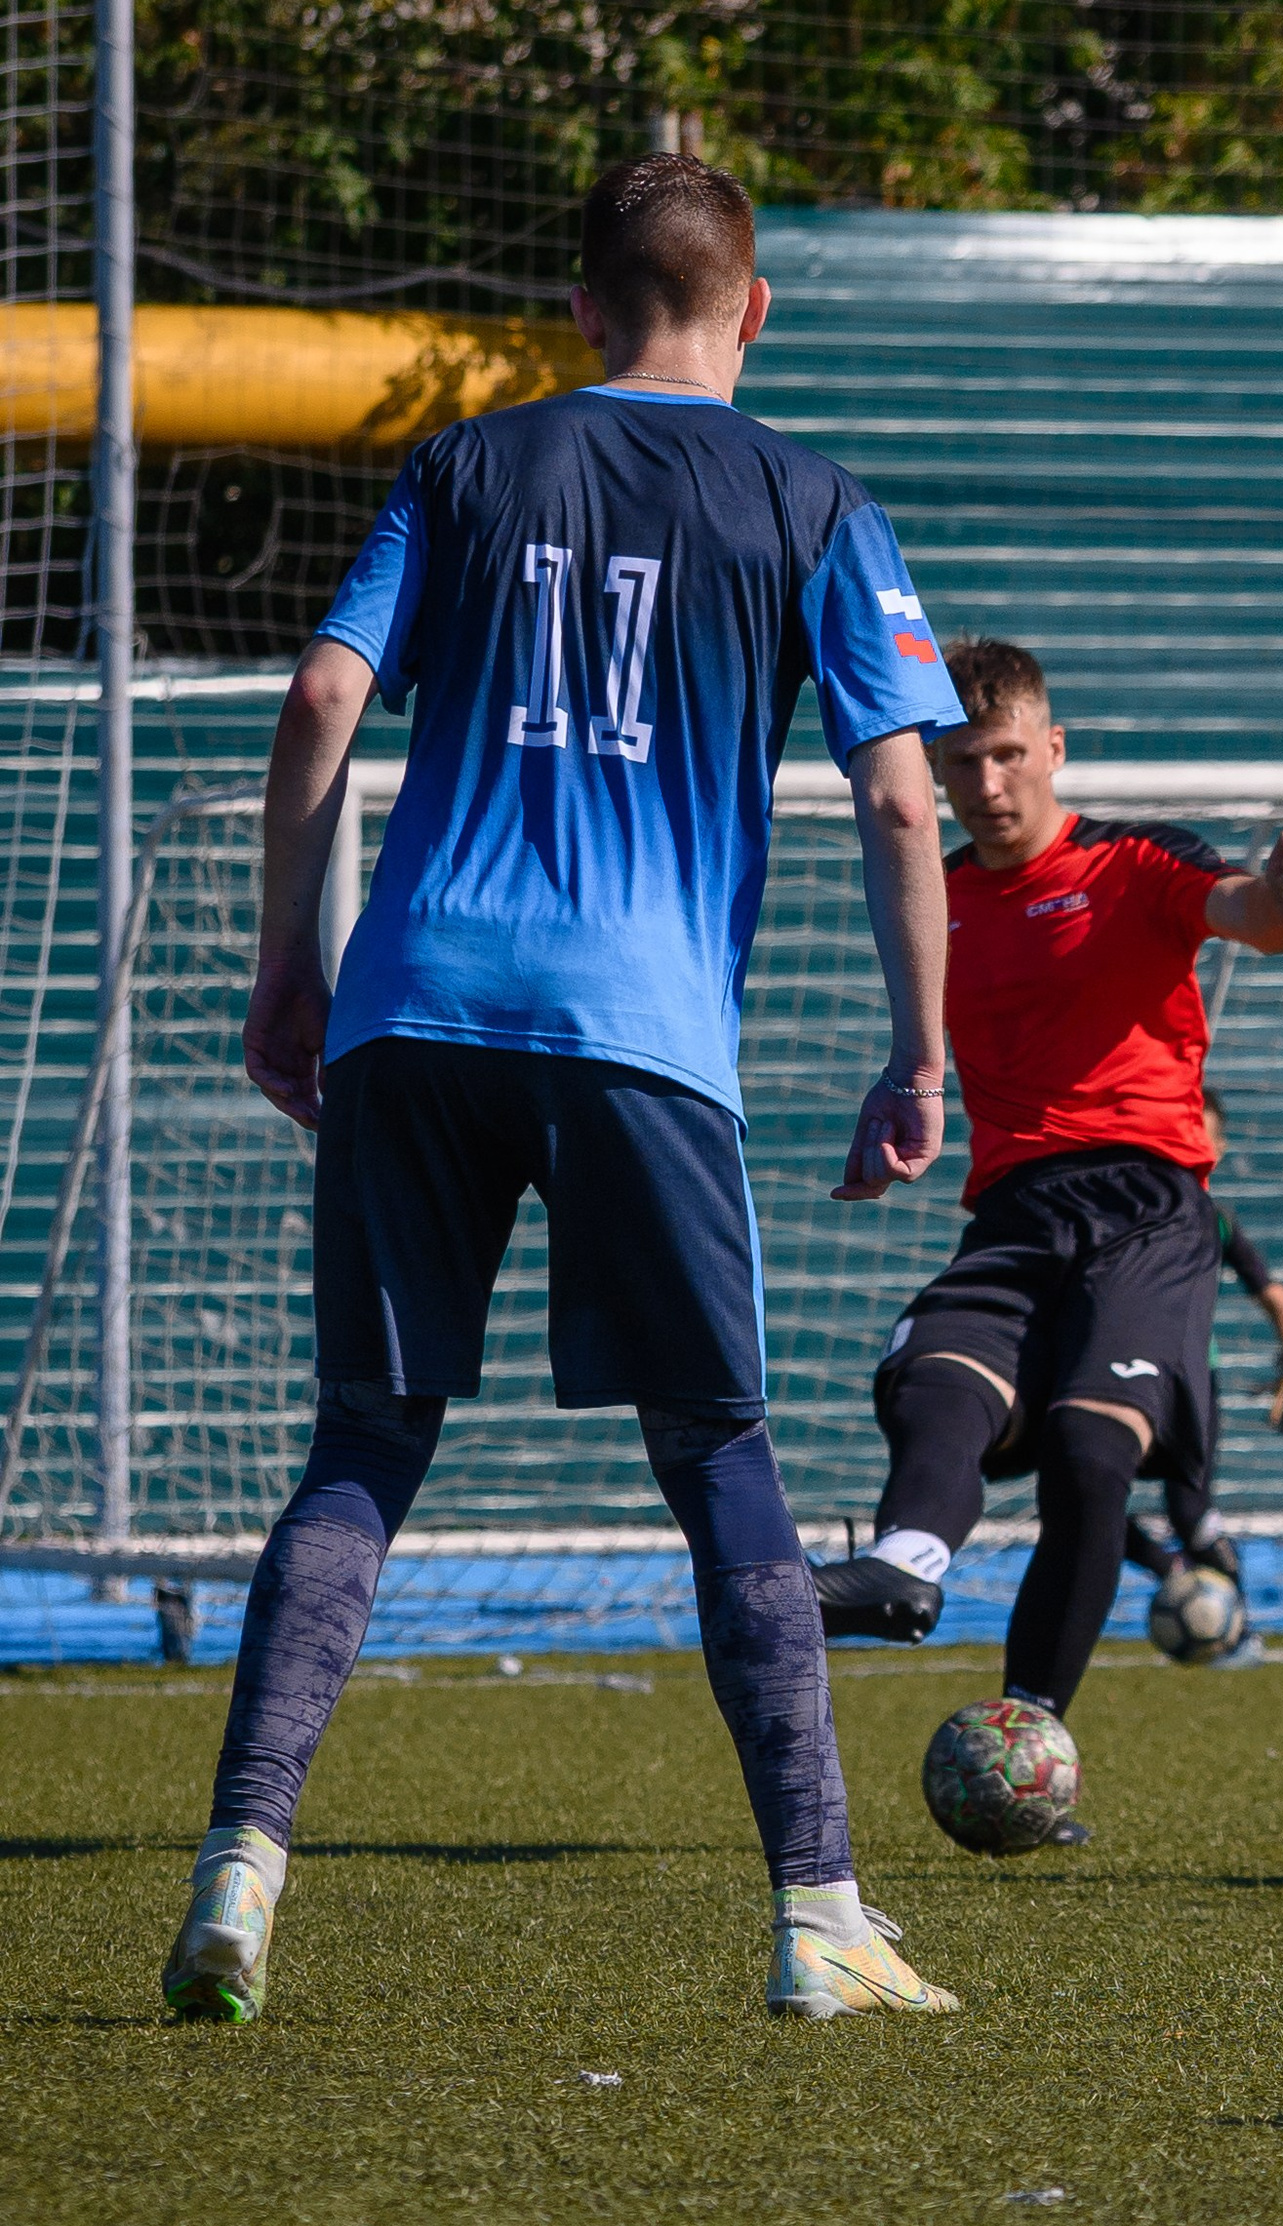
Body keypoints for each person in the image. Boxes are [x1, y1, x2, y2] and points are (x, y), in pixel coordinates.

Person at [159, 156, 969, 2026]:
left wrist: (295, 965)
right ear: (755, 308)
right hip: (640, 1032)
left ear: (584, 309)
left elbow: (316, 703)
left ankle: (242, 1867)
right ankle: (822, 1916)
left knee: (365, 1443)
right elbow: (905, 795)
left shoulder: (464, 464)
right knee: (722, 1462)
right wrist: (921, 1049)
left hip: (414, 1002)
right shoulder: (815, 499)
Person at [811, 638, 1283, 1827]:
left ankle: (1033, 1722)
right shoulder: (931, 902)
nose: (986, 783)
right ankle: (907, 1568)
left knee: (1095, 1463)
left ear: (1052, 749)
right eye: (958, 764)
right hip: (1013, 1208)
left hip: (1148, 1206)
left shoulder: (1134, 861)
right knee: (932, 1376)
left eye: (1004, 755)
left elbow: (1245, 912)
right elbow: (920, 1059)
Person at [1122, 1087, 1283, 1618]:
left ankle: (1232, 1622)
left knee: (1191, 1513)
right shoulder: (1122, 1212)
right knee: (1081, 1496)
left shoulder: (1216, 1220)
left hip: (1190, 1388)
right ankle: (1176, 1577)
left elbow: (1277, 1299)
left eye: (1204, 1138)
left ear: (1219, 1148)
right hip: (1115, 1376)